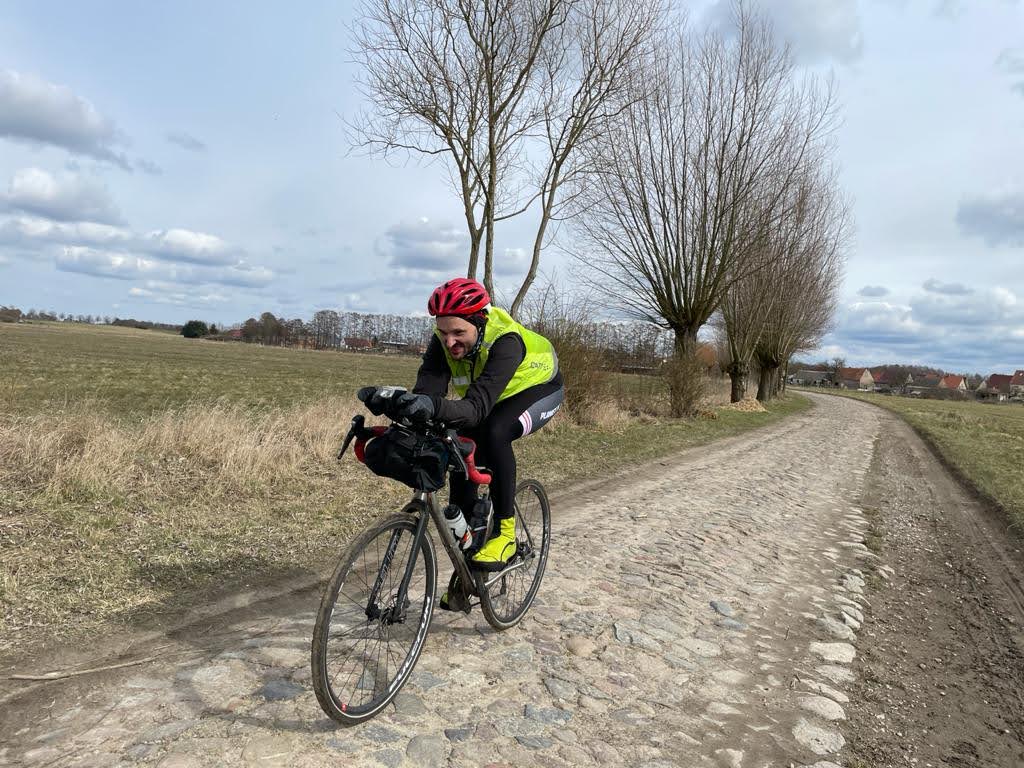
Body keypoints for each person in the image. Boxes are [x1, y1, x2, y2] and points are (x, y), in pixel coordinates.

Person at [390, 277, 564, 571]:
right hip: (489, 395)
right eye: (443, 332)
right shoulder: (444, 340)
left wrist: (434, 406)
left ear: (480, 321)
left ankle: (506, 534)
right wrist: (405, 406)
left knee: (495, 432)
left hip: (539, 388)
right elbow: (428, 389)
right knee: (457, 444)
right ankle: (469, 560)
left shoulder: (506, 342)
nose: (449, 342)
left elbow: (475, 408)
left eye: (459, 332)